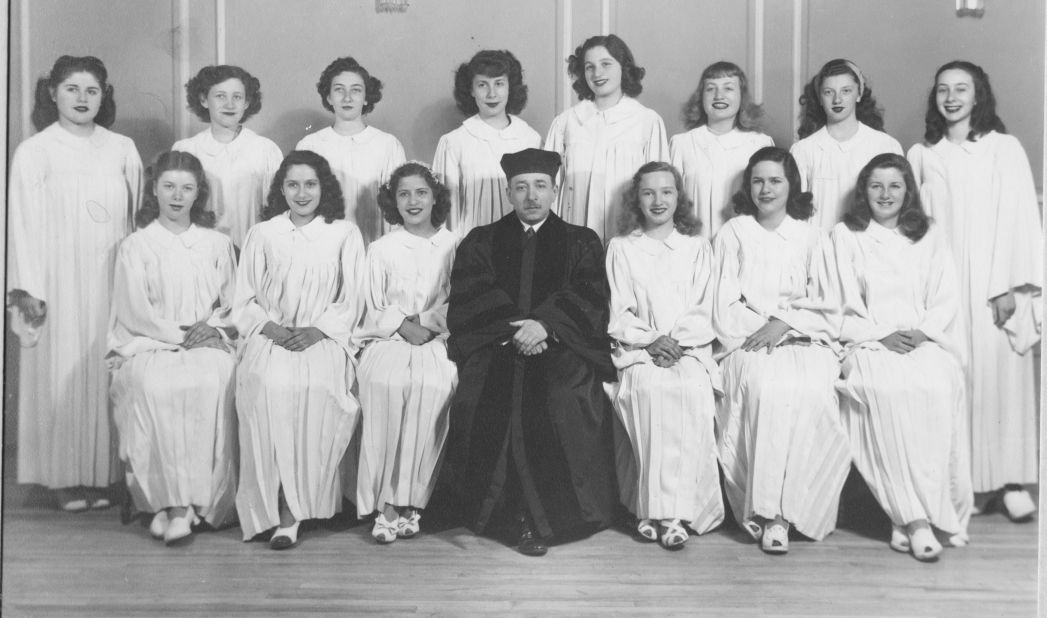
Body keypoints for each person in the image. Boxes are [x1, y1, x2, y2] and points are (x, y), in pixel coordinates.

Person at [441, 148, 618, 556]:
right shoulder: (482, 240)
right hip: (497, 346)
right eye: (521, 187)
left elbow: (590, 297)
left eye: (540, 186)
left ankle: (546, 517)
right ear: (508, 193)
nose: (531, 195)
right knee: (489, 399)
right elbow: (470, 295)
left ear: (555, 190)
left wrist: (546, 326)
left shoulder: (580, 240)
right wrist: (513, 329)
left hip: (560, 347)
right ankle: (503, 515)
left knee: (561, 398)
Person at [907, 61, 1042, 522]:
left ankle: (1009, 482)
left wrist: (1009, 284)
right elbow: (911, 226)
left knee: (999, 381)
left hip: (993, 284)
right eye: (943, 89)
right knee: (954, 376)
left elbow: (1021, 215)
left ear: (978, 94)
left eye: (961, 89)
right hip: (944, 283)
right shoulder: (923, 153)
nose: (951, 97)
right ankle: (966, 482)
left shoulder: (1003, 148)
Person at [7, 55, 142, 511]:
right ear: (53, 93)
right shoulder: (35, 151)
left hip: (110, 277)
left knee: (109, 365)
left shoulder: (121, 147)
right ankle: (64, 479)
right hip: (56, 277)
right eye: (72, 89)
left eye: (92, 90)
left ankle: (106, 477)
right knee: (62, 371)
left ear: (104, 96)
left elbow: (138, 217)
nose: (82, 99)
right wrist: (27, 288)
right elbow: (21, 224)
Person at [834, 153, 973, 562]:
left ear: (908, 190)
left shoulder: (928, 233)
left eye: (895, 185)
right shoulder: (848, 235)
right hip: (871, 341)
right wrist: (880, 335)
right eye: (876, 186)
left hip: (922, 338)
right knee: (885, 391)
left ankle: (916, 513)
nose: (885, 194)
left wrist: (921, 332)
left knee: (935, 385)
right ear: (864, 192)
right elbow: (842, 303)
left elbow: (945, 297)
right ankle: (913, 519)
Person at [713, 146, 848, 555]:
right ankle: (765, 511)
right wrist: (764, 328)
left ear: (793, 186)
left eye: (775, 180)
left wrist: (786, 324)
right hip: (748, 340)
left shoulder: (810, 236)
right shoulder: (733, 233)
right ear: (747, 186)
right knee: (766, 389)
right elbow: (723, 304)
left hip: (804, 336)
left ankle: (796, 510)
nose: (766, 189)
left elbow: (828, 302)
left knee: (810, 391)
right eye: (758, 180)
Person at [233, 150, 365, 549]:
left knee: (317, 390)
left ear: (323, 188)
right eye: (292, 184)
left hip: (323, 336)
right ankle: (274, 507)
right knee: (269, 387)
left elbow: (352, 298)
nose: (301, 193)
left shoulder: (343, 233)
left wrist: (317, 331)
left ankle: (297, 510)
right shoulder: (264, 234)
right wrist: (270, 327)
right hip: (270, 334)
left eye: (310, 184)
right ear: (281, 189)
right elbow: (244, 298)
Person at [108, 151, 238, 545]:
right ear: (155, 190)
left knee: (210, 383)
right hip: (153, 341)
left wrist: (212, 328)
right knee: (154, 388)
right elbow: (134, 312)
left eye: (187, 188)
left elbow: (233, 303)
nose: (177, 196)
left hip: (207, 341)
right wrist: (177, 335)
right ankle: (170, 505)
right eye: (169, 186)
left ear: (198, 193)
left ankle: (190, 506)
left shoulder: (216, 243)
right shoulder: (137, 245)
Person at [605, 161, 723, 550]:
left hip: (688, 350)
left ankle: (675, 515)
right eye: (648, 192)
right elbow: (618, 311)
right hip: (640, 351)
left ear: (679, 197)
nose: (658, 200)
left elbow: (707, 307)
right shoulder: (622, 249)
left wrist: (677, 343)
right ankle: (649, 510)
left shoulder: (696, 247)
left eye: (666, 191)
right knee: (648, 392)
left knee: (690, 392)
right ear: (636, 199)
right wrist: (652, 340)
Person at [355, 162, 458, 543]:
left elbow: (460, 300)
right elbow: (368, 304)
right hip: (389, 338)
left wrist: (426, 322)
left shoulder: (454, 245)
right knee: (385, 383)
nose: (413, 202)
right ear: (392, 201)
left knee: (434, 386)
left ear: (435, 197)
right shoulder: (381, 248)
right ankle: (388, 504)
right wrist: (401, 324)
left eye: (421, 192)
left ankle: (414, 501)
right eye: (403, 194)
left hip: (437, 338)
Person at [544, 34, 669, 242]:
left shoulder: (647, 121)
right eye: (589, 67)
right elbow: (550, 186)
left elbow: (660, 187)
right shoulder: (565, 123)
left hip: (631, 236)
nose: (597, 73)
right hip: (574, 235)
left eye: (606, 64)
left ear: (624, 68)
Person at [296, 56, 405, 245]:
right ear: (329, 97)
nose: (347, 98)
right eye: (339, 90)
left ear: (366, 98)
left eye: (356, 90)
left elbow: (398, 206)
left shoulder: (387, 145)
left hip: (373, 246)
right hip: (323, 250)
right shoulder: (310, 145)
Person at [173, 64, 283, 249]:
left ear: (246, 103)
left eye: (237, 97)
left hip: (251, 252)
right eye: (220, 96)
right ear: (204, 100)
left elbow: (277, 213)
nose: (230, 104)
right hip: (199, 254)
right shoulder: (186, 149)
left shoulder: (266, 150)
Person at [433, 50, 541, 236]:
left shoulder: (530, 139)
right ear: (471, 90)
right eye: (482, 85)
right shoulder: (454, 142)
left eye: (499, 84)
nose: (492, 94)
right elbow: (443, 210)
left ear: (510, 87)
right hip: (470, 242)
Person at [790, 59, 901, 230]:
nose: (837, 99)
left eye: (846, 91)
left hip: (866, 249)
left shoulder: (885, 146)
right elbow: (795, 214)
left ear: (859, 94)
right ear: (820, 97)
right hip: (819, 249)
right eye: (828, 92)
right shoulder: (803, 150)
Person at [669, 61, 773, 239]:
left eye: (728, 88)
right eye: (710, 89)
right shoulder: (682, 144)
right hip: (694, 244)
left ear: (742, 96)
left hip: (745, 244)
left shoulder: (760, 143)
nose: (719, 95)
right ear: (701, 97)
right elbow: (671, 201)